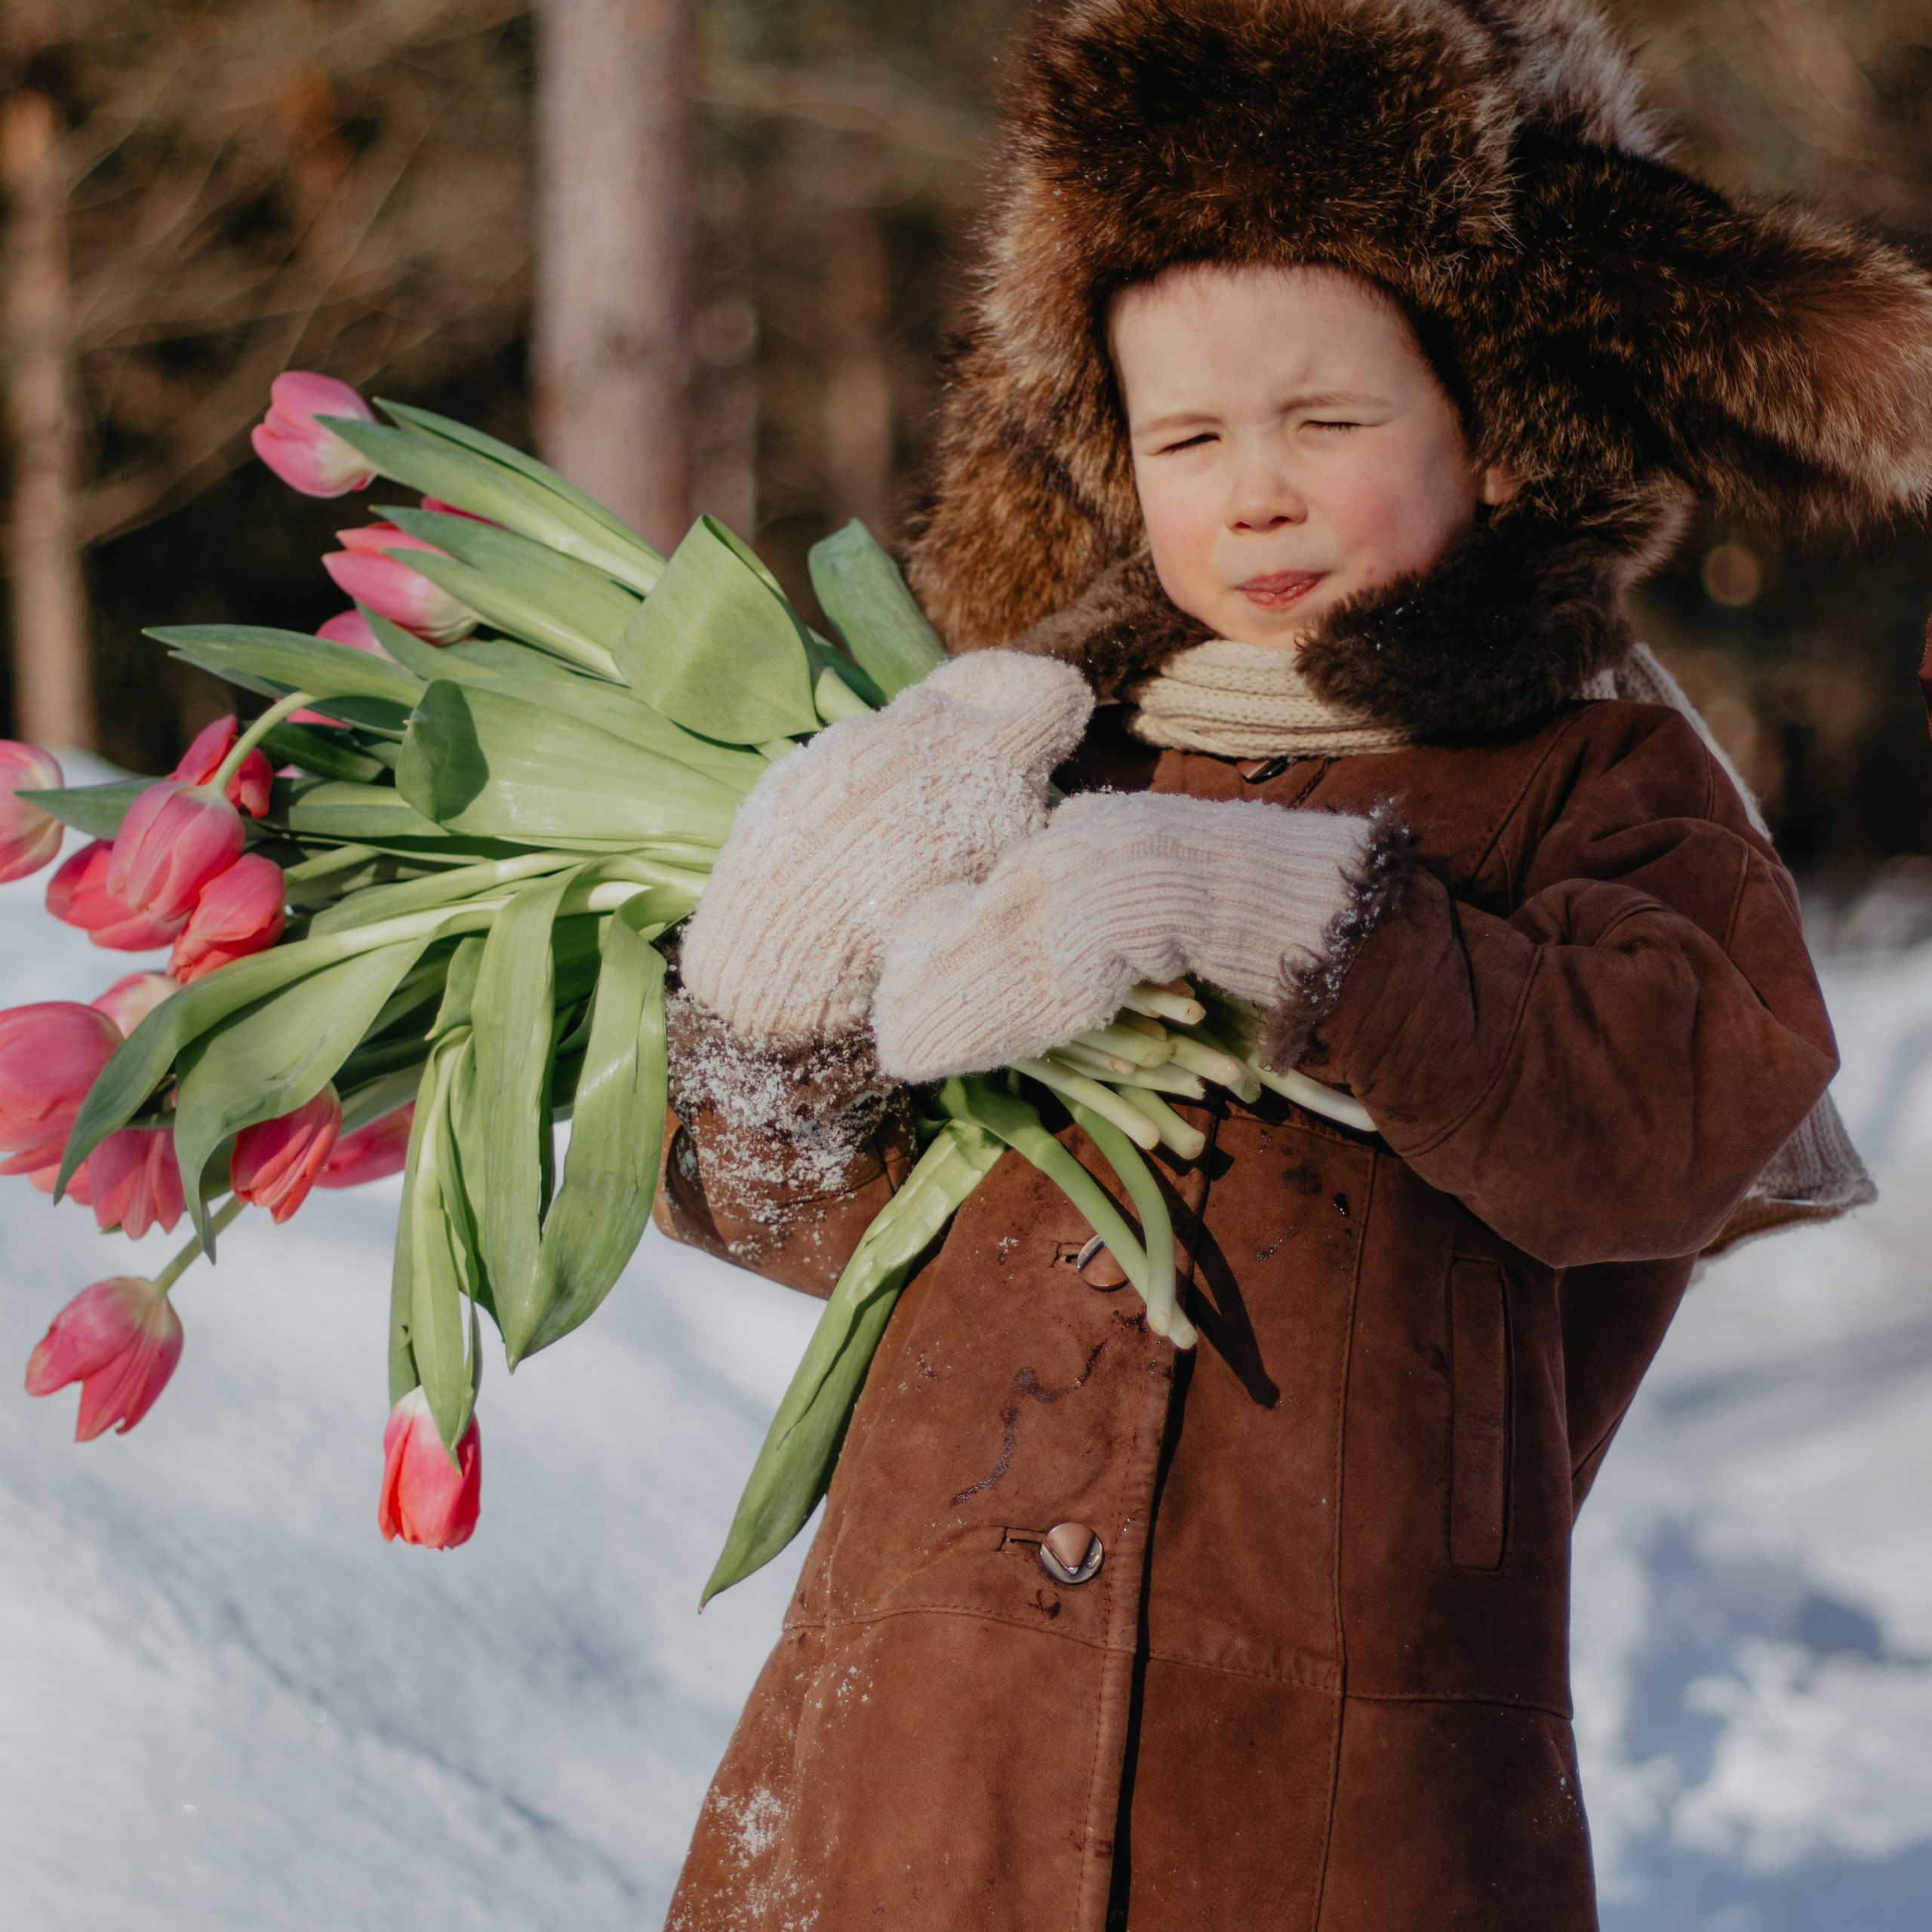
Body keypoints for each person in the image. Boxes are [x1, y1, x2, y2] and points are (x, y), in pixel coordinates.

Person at [654, 3, 1924, 1926]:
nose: (1252, 488)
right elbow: (812, 1224)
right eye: (1187, 435)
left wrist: (1284, 914)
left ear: (1495, 436)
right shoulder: (1034, 759)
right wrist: (768, 1008)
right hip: (917, 1768)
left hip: (1338, 1810)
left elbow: (1660, 1108)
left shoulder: (1591, 777)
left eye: (1325, 421)